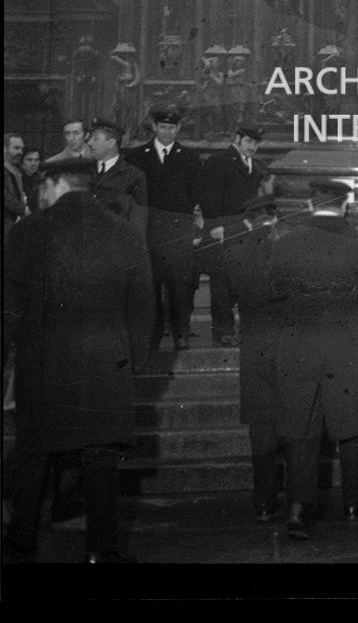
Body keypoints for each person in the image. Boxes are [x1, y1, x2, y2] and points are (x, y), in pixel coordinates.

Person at [3, 157, 155, 562]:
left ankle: (21, 543)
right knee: (101, 460)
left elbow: (9, 306)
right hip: (107, 367)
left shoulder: (27, 232)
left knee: (34, 454)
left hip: (43, 364)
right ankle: (101, 550)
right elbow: (143, 309)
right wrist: (130, 363)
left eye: (42, 186)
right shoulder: (124, 234)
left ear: (55, 183)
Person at [268, 179, 358, 539]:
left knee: (301, 426)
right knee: (351, 421)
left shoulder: (284, 244)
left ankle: (299, 507)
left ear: (311, 203)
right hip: (349, 346)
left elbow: (273, 291)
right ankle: (353, 501)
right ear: (345, 206)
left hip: (299, 344)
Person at [223, 193, 290, 523]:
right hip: (290, 344)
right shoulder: (291, 252)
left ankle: (264, 501)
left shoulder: (234, 253)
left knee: (261, 428)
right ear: (275, 217)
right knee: (294, 423)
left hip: (254, 347)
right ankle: (298, 497)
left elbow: (224, 303)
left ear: (250, 219)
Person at [125, 107, 205, 352]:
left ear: (178, 129)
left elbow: (196, 193)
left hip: (178, 230)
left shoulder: (189, 157)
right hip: (148, 229)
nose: (167, 131)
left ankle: (181, 334)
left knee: (179, 285)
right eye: (163, 127)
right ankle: (154, 335)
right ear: (155, 127)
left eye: (172, 127)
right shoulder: (138, 156)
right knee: (151, 285)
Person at [200, 124, 269, 346]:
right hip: (223, 232)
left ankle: (244, 331)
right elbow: (209, 202)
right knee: (222, 286)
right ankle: (223, 332)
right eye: (249, 141)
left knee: (244, 284)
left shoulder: (255, 167)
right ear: (237, 139)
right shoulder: (218, 161)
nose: (253, 147)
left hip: (246, 234)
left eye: (256, 143)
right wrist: (222, 228)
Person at [88, 118, 148, 238]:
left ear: (110, 143)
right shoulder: (83, 171)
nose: (89, 143)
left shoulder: (134, 175)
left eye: (95, 139)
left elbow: (139, 222)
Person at [3, 133, 28, 240]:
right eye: (16, 148)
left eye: (21, 149)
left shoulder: (17, 170)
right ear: (4, 148)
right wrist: (24, 210)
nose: (20, 152)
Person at [20, 147, 43, 214]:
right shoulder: (15, 179)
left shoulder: (43, 180)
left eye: (36, 160)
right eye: (29, 160)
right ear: (22, 162)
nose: (33, 163)